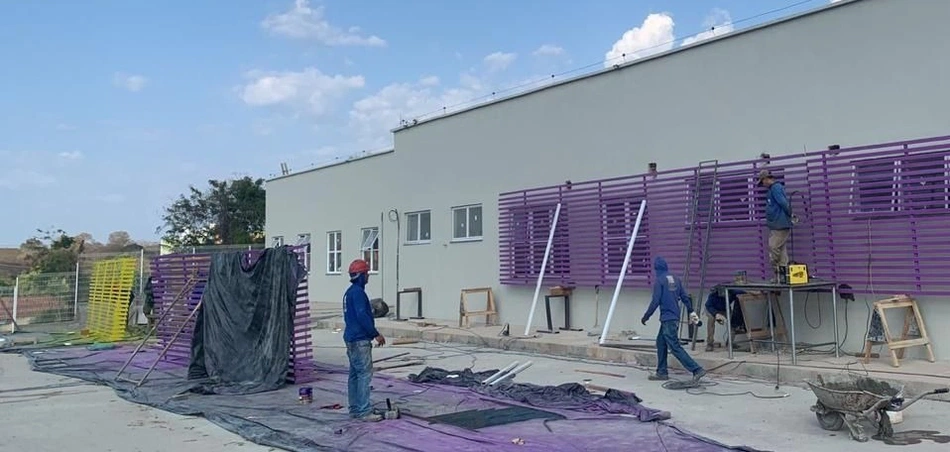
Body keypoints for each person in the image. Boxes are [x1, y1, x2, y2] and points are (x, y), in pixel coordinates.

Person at [641, 257, 706, 382]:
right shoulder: (675, 279)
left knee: (674, 346)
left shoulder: (659, 281)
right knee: (661, 343)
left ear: (656, 269)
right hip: (673, 317)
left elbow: (655, 301)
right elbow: (685, 297)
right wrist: (691, 310)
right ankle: (661, 372)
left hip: (668, 318)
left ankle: (696, 369)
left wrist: (646, 316)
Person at [342, 259, 386, 422]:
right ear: (361, 275)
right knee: (364, 375)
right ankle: (364, 411)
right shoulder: (359, 293)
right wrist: (375, 333)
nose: (368, 276)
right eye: (366, 273)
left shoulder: (349, 292)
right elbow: (362, 315)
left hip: (350, 338)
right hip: (360, 339)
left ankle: (355, 408)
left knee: (354, 374)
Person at [757, 169, 793, 283]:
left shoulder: (775, 188)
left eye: (762, 182)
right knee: (781, 250)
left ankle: (778, 272)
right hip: (777, 225)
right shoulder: (773, 189)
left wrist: (790, 214)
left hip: (780, 224)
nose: (762, 185)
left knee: (773, 247)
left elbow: (783, 203)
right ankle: (782, 277)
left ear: (766, 179)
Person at [703, 286, 746, 352]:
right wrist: (716, 314)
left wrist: (752, 292)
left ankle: (729, 342)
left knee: (733, 322)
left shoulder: (732, 292)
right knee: (711, 320)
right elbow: (708, 306)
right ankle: (710, 343)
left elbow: (742, 292)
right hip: (711, 309)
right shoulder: (713, 295)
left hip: (724, 309)